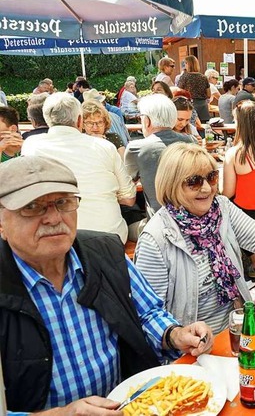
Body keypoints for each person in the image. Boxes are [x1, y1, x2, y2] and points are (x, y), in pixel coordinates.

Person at [0, 156, 214, 413]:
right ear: (2, 223)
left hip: (131, 406)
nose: (54, 218)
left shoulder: (105, 252)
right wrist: (62, 413)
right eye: (33, 207)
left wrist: (175, 334)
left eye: (63, 202)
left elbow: (147, 314)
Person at [135, 143, 255, 333]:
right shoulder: (156, 239)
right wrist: (176, 335)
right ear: (172, 185)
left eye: (212, 177)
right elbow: (148, 313)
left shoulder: (221, 207)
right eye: (194, 182)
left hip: (238, 328)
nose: (207, 188)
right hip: (192, 345)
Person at [22, 93, 135, 244]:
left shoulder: (31, 145)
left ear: (46, 120)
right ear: (80, 120)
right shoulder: (105, 146)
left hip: (57, 238)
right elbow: (128, 199)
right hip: (110, 236)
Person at [124, 94, 195, 216]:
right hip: (192, 217)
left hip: (158, 222)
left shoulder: (136, 148)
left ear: (147, 121)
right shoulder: (191, 141)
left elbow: (127, 187)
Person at [177, 55, 211, 123]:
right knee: (203, 127)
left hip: (189, 105)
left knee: (191, 126)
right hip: (203, 106)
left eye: (185, 63)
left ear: (188, 64)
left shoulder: (184, 77)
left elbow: (179, 92)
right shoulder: (203, 77)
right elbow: (209, 94)